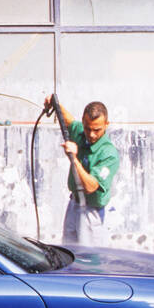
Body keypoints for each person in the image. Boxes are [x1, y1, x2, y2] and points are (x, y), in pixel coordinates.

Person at [44, 95, 120, 246]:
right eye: (87, 128)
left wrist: (74, 158)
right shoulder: (81, 133)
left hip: (91, 212)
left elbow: (91, 186)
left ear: (106, 124)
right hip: (74, 204)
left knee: (89, 258)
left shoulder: (108, 153)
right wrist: (55, 102)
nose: (91, 134)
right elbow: (69, 122)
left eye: (97, 130)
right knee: (68, 252)